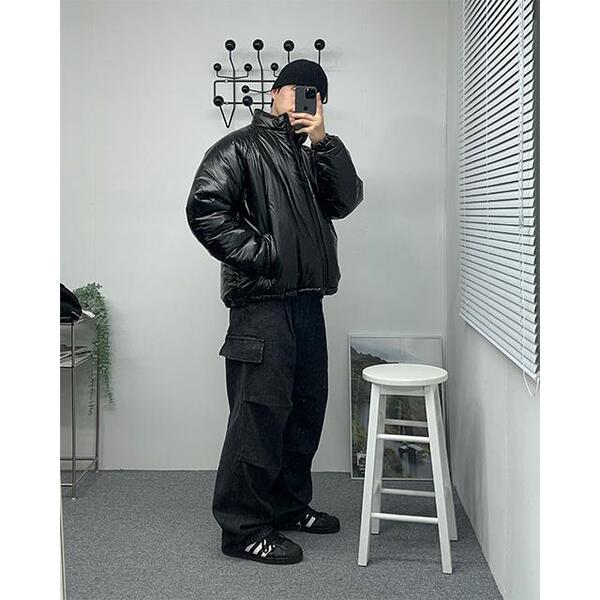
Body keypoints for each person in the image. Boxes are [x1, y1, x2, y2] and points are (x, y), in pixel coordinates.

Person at [185, 58, 364, 565]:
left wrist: (324, 143)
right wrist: (264, 254)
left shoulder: (312, 157)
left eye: (315, 94)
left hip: (307, 302)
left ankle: (287, 506)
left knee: (305, 410)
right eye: (297, 90)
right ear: (276, 93)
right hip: (260, 305)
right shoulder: (239, 147)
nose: (304, 99)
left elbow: (346, 199)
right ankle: (243, 529)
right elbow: (204, 207)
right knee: (258, 415)